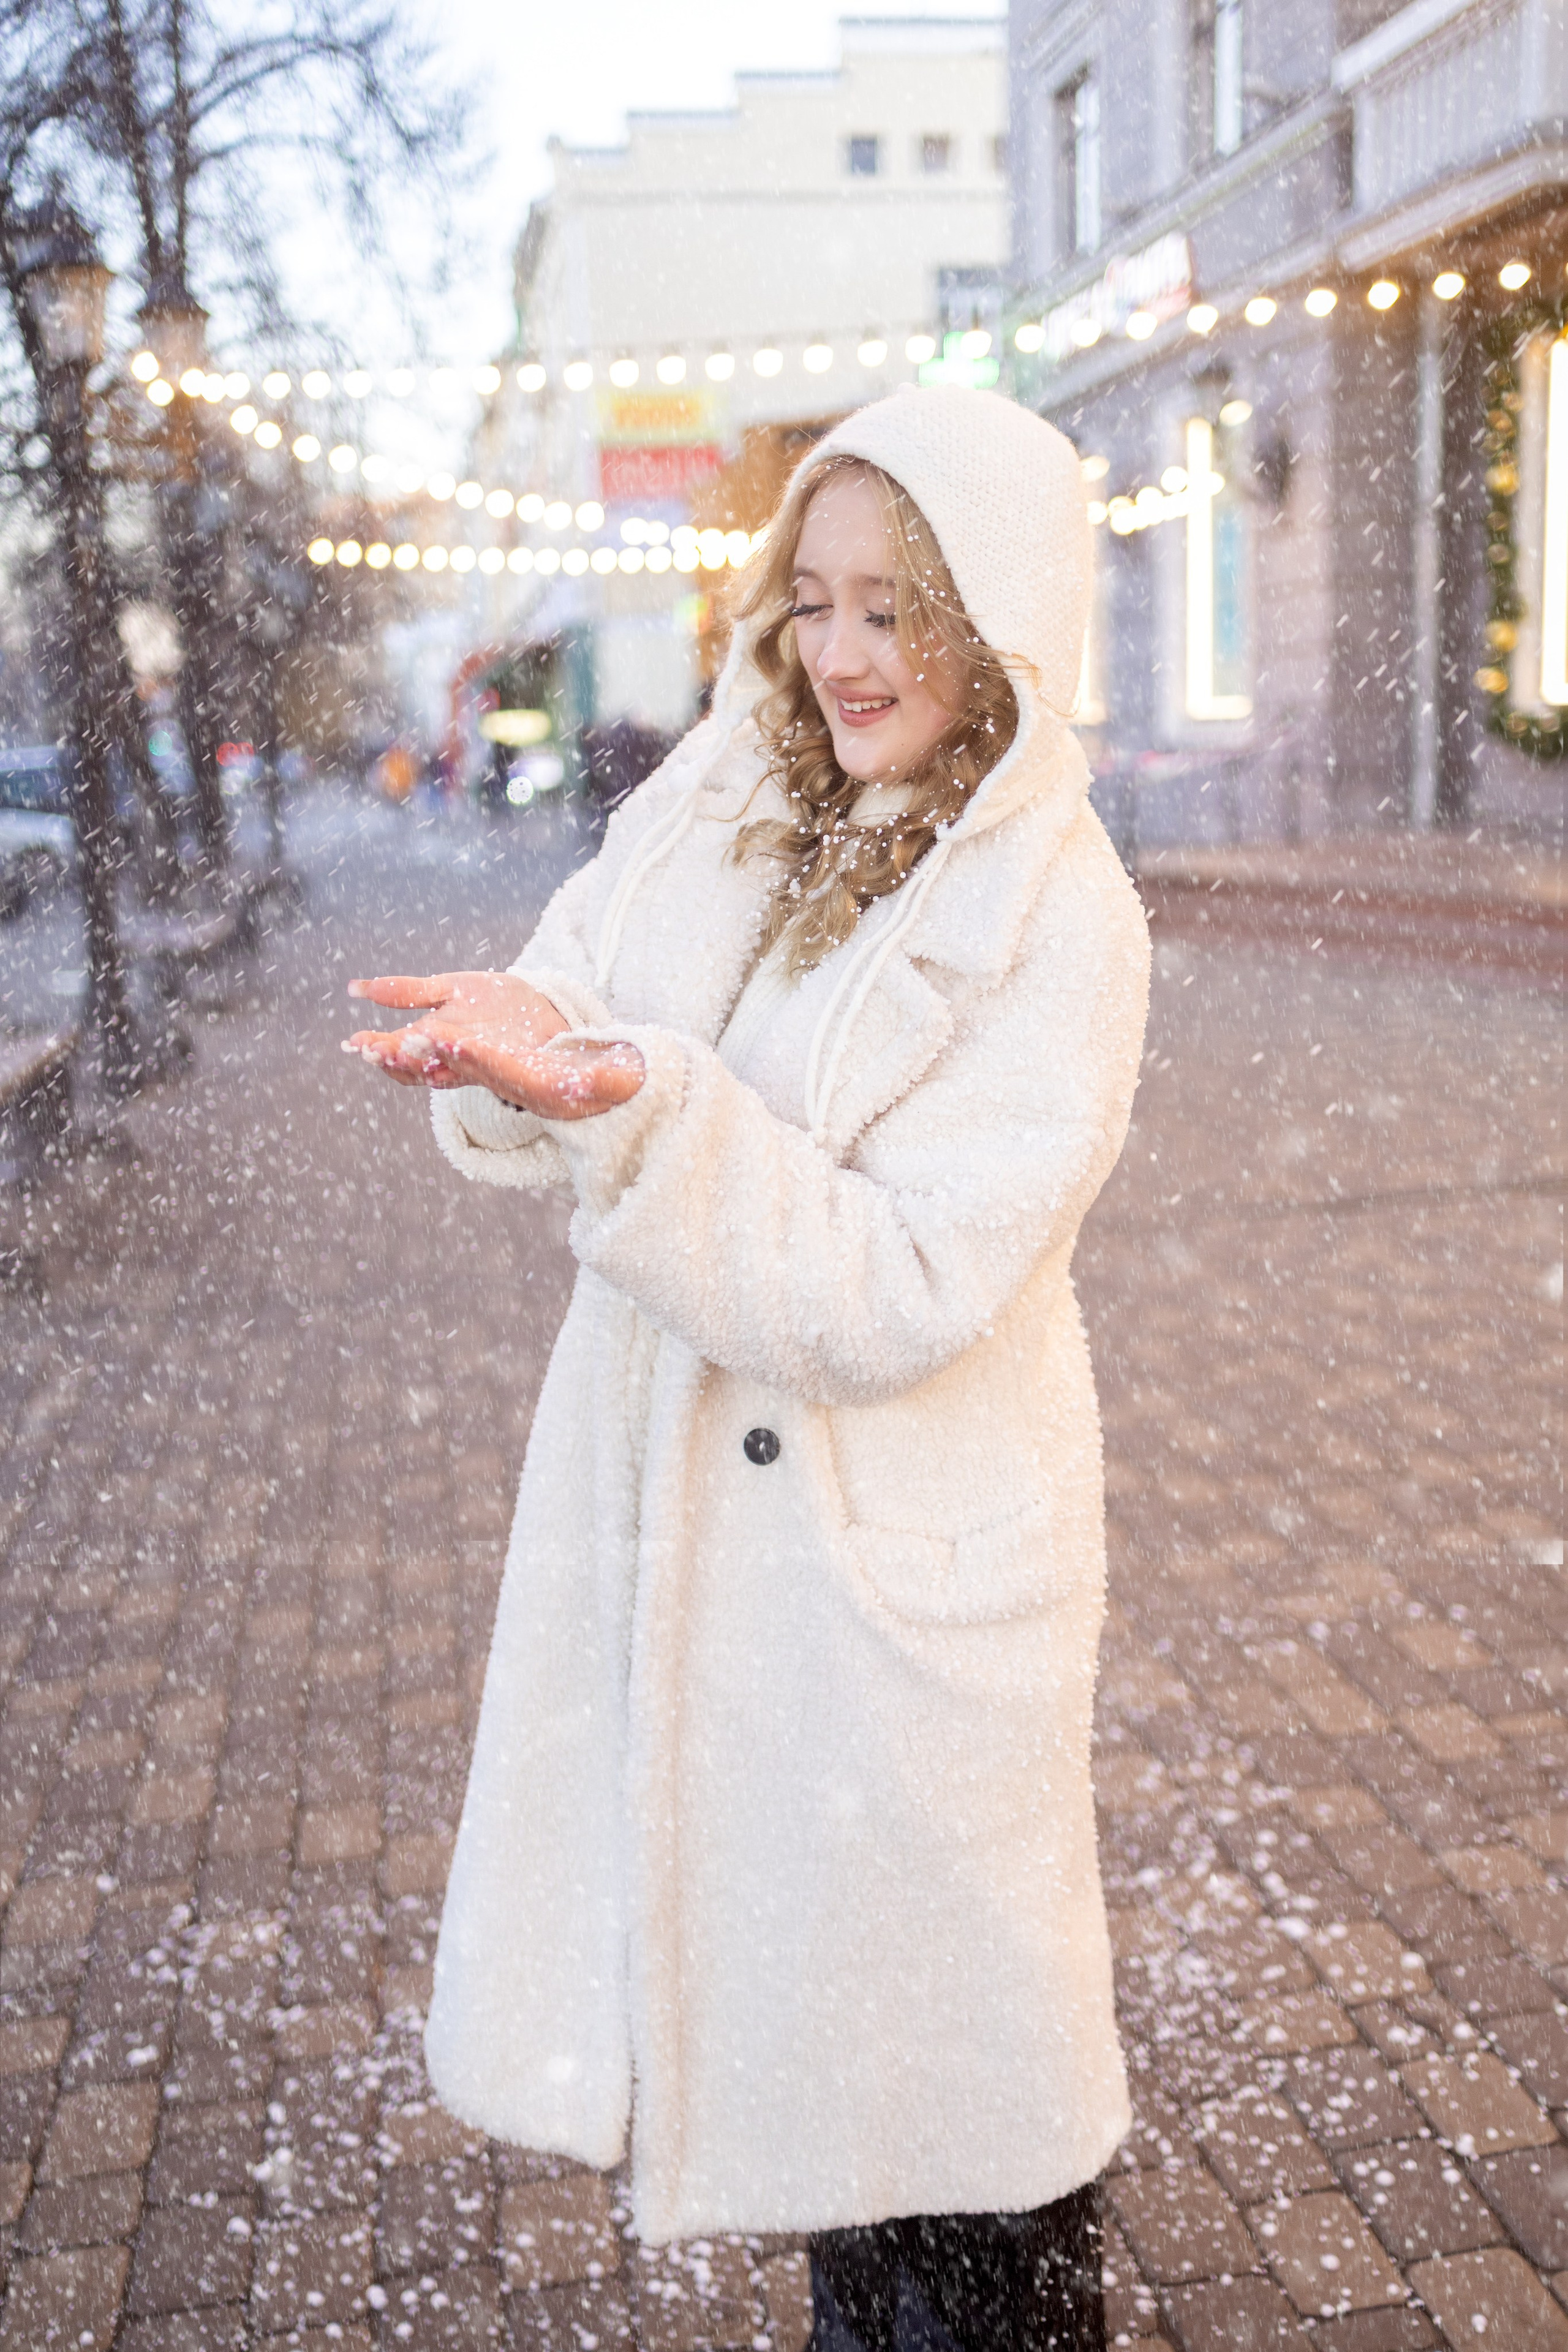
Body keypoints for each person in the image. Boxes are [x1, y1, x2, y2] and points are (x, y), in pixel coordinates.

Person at [345, 386, 1150, 2351]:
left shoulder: (1064, 914)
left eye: (900, 605)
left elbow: (895, 1278)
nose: (844, 652)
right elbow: (582, 993)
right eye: (817, 600)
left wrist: (631, 1107)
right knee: (833, 2159)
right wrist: (529, 1044)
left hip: (901, 1596)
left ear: (1002, 616)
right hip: (721, 1584)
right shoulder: (721, 804)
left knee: (963, 2173)